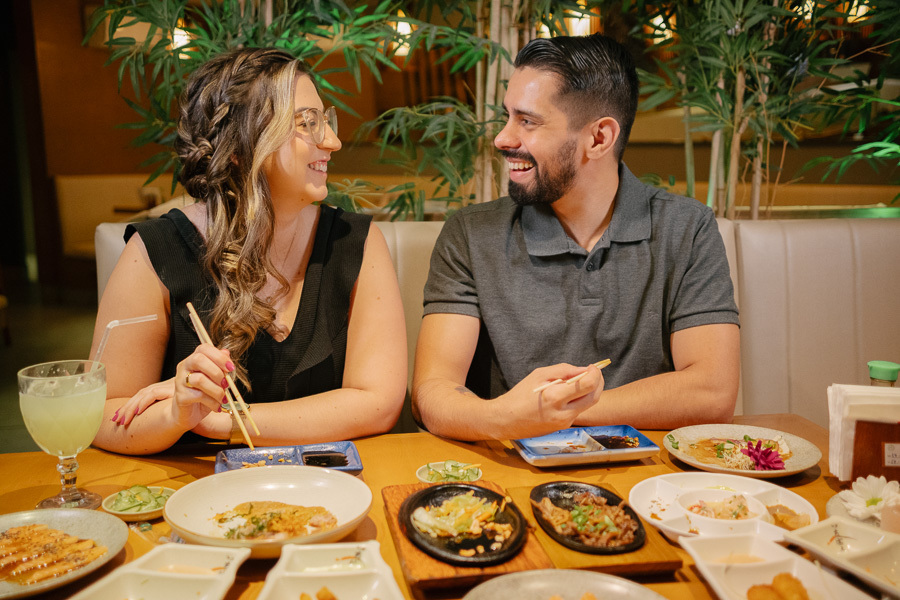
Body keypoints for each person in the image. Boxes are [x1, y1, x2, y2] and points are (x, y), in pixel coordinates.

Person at [412, 34, 740, 441]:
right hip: (510, 476)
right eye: (507, 116)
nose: (502, 138)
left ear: (599, 138)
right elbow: (432, 393)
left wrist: (555, 409)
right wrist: (507, 417)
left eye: (527, 121)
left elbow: (713, 392)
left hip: (650, 484)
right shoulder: (470, 233)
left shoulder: (688, 229)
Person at [91, 48, 407, 455]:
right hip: (199, 501)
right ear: (241, 146)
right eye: (307, 124)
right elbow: (104, 415)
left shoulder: (353, 242)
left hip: (329, 492)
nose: (333, 141)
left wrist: (222, 422)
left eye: (324, 121)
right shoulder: (156, 253)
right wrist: (176, 414)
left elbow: (377, 403)